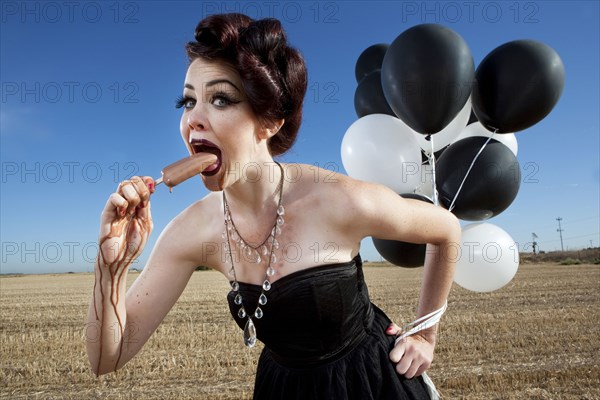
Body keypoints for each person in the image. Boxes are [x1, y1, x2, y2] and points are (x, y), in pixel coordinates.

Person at [85, 13, 461, 400]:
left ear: (270, 122)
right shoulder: (193, 229)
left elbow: (446, 230)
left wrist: (426, 333)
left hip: (370, 384)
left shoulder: (338, 198)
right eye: (188, 100)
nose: (193, 119)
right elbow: (105, 359)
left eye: (220, 99)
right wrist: (111, 267)